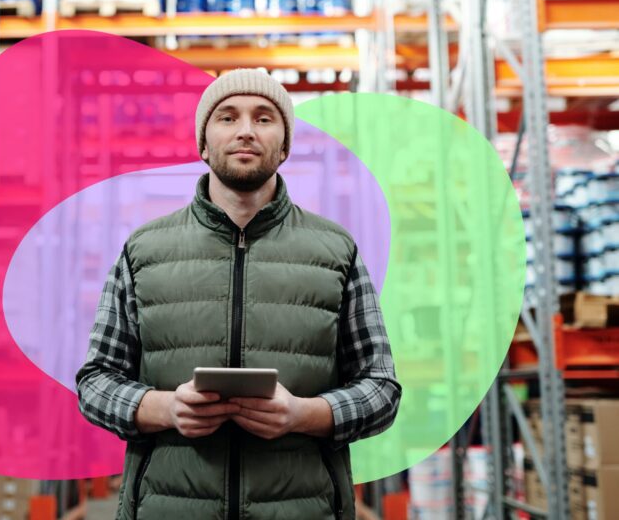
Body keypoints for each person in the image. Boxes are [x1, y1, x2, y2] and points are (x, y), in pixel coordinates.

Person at [76, 69, 401, 520]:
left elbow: (381, 388)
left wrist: (303, 414)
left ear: (284, 147)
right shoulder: (143, 251)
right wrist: (166, 409)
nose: (246, 130)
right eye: (227, 117)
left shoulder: (336, 252)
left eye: (264, 118)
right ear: (203, 144)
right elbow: (95, 382)